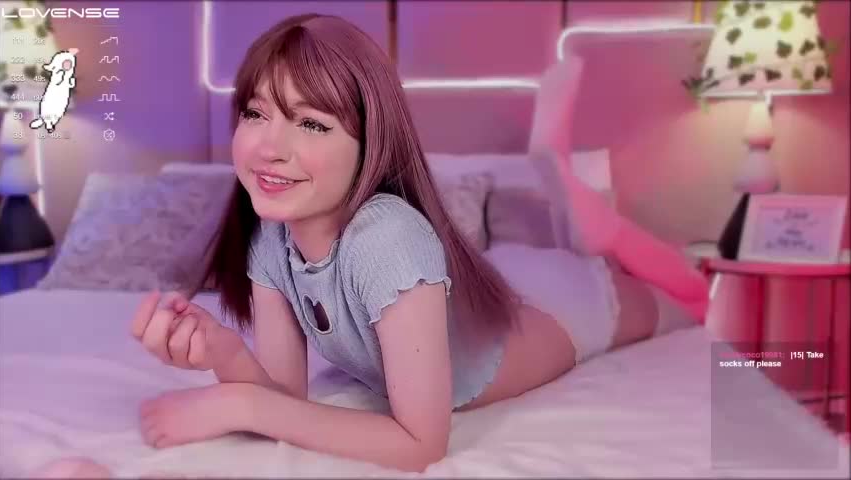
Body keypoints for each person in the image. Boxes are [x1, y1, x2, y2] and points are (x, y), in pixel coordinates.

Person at [128, 13, 710, 474]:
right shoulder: (272, 236)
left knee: (692, 302)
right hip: (495, 292)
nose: (266, 148)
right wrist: (226, 353)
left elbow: (420, 444)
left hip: (565, 309)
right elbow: (286, 399)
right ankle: (587, 226)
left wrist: (239, 404)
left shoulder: (389, 239)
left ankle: (595, 224)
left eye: (311, 123)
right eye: (256, 113)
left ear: (371, 144)